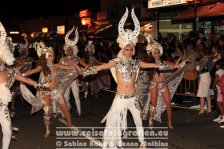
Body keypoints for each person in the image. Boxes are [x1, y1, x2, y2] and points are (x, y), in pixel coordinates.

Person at [84, 8, 181, 148]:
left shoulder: (137, 63)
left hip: (132, 98)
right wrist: (87, 71)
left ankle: (142, 143)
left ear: (133, 50)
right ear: (123, 49)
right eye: (126, 49)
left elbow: (154, 65)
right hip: (120, 99)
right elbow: (101, 67)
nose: (129, 52)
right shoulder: (116, 62)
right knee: (112, 122)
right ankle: (111, 143)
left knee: (138, 122)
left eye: (130, 49)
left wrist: (174, 67)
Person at [21, 43, 83, 138]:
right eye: (50, 56)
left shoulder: (56, 66)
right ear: (46, 57)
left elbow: (70, 68)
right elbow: (31, 71)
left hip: (56, 91)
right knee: (47, 111)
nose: (52, 57)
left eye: (53, 55)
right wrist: (22, 75)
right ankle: (47, 129)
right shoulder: (42, 67)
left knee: (65, 109)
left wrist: (75, 66)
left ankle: (70, 127)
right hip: (46, 91)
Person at [0, 21, 39, 149]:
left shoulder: (10, 72)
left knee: (7, 131)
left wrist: (36, 83)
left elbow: (24, 78)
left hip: (2, 107)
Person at [142, 34, 187, 129]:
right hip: (154, 85)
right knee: (153, 104)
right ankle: (150, 120)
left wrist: (183, 62)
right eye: (154, 52)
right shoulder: (151, 64)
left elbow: (175, 66)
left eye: (158, 52)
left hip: (163, 85)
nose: (157, 54)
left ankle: (169, 122)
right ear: (151, 54)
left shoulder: (164, 62)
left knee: (168, 104)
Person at [57, 27, 89, 117]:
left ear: (73, 50)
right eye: (67, 49)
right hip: (65, 81)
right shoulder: (62, 59)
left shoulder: (77, 58)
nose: (69, 51)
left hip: (74, 81)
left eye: (70, 49)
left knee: (76, 96)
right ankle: (65, 112)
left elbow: (85, 65)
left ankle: (79, 111)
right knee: (66, 97)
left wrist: (89, 68)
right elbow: (57, 68)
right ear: (65, 51)